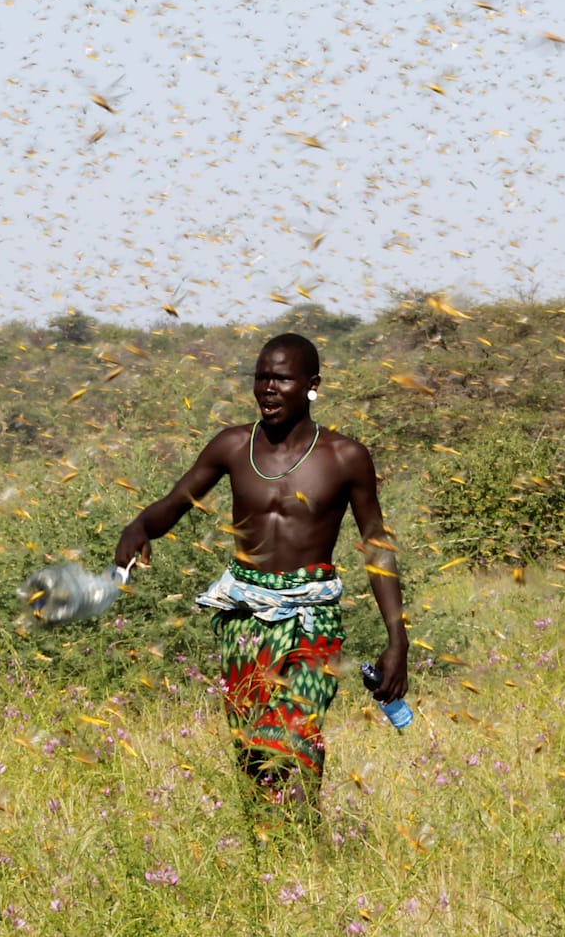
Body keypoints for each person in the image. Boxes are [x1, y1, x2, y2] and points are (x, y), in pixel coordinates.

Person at [114, 333, 408, 818]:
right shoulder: (233, 446)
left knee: (293, 737)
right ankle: (269, 864)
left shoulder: (344, 457)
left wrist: (397, 638)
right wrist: (140, 527)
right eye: (261, 378)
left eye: (283, 379)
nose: (269, 389)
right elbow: (174, 504)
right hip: (244, 619)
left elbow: (376, 542)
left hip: (312, 622)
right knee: (254, 754)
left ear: (312, 385)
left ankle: (304, 856)